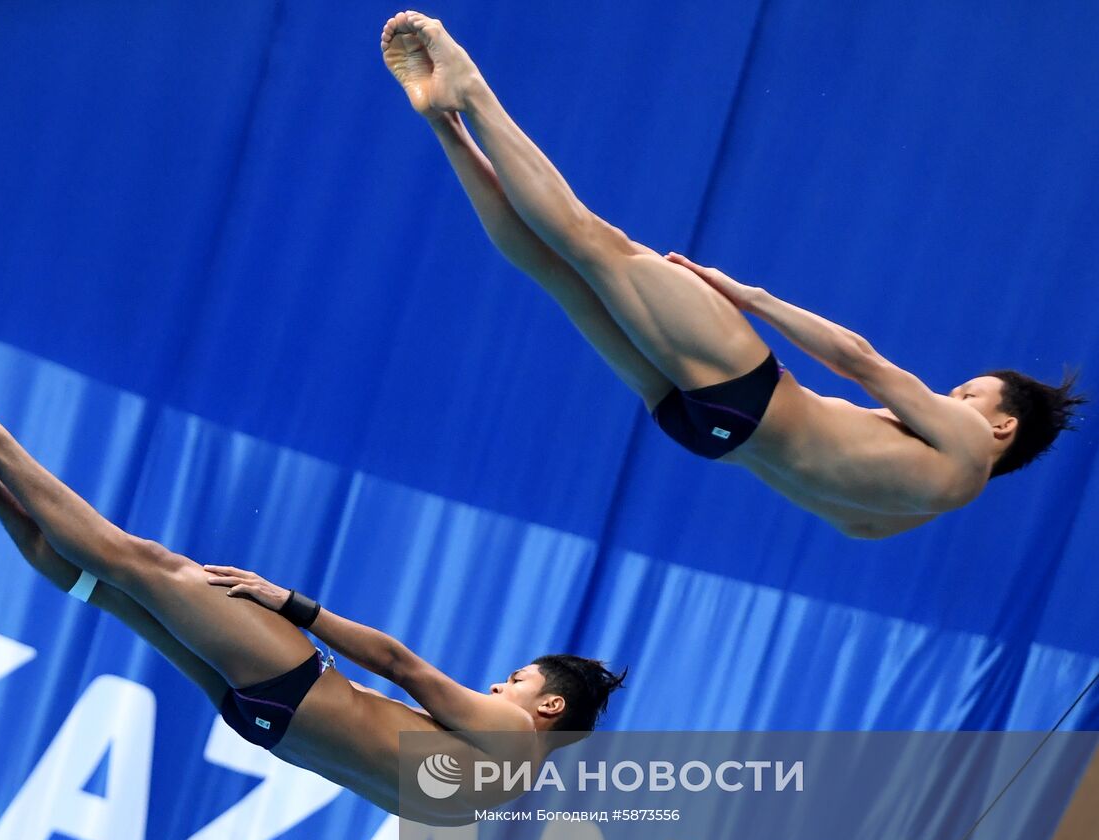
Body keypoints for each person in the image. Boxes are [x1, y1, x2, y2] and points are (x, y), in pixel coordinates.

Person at [380, 11, 1084, 539]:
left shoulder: (965, 442)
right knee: (556, 272)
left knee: (594, 244)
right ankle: (443, 123)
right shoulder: (917, 510)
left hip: (748, 393)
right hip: (706, 432)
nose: (949, 394)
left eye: (967, 393)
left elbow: (863, 361)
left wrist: (750, 297)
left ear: (1001, 427)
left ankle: (470, 93)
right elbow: (837, 511)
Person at [0, 375, 625, 823]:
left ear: (549, 707)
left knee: (139, 564)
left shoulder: (510, 735)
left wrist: (293, 605)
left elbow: (403, 665)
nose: (501, 684)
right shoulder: (492, 799)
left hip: (294, 685)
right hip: (264, 724)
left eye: (518, 679)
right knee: (111, 594)